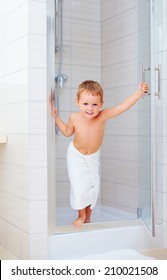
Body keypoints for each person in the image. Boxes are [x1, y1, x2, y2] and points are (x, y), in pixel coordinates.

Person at [51, 80, 148, 228]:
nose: (90, 109)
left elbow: (122, 107)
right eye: (85, 104)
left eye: (95, 104)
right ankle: (81, 215)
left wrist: (139, 93)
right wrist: (56, 117)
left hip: (92, 157)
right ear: (77, 102)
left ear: (101, 103)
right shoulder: (74, 118)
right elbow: (66, 132)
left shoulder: (103, 116)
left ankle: (88, 217)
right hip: (76, 156)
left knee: (92, 187)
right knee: (79, 187)